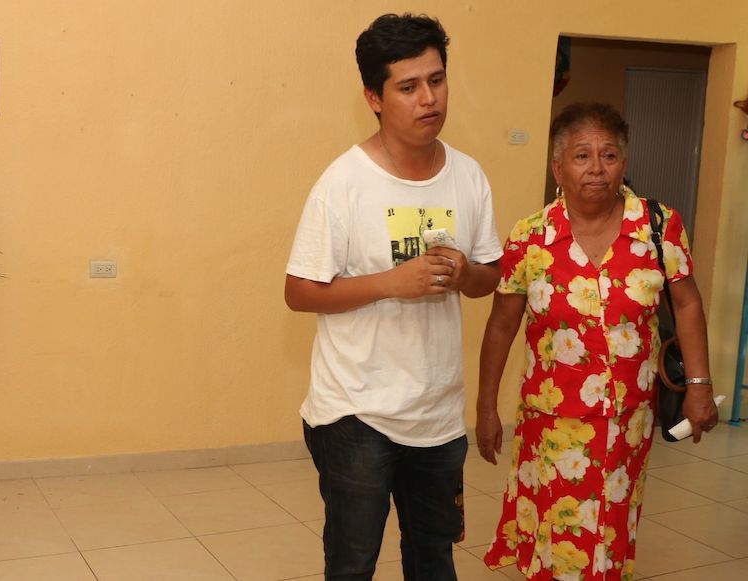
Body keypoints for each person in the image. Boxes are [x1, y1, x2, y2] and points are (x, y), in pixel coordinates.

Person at [285, 13, 503, 580]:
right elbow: (299, 291)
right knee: (352, 563)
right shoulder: (344, 183)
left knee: (434, 559)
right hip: (356, 411)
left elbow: (491, 277)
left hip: (438, 413)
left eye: (437, 80)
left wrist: (464, 274)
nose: (428, 98)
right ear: (374, 98)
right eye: (408, 87)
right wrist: (391, 283)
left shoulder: (469, 176)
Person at [475, 102, 720, 580]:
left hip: (626, 423)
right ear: (558, 168)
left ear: (623, 164)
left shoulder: (658, 227)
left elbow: (688, 304)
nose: (596, 168)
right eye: (582, 156)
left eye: (608, 155)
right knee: (553, 532)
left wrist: (699, 385)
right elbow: (501, 325)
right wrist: (486, 408)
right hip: (550, 422)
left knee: (610, 529)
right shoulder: (530, 238)